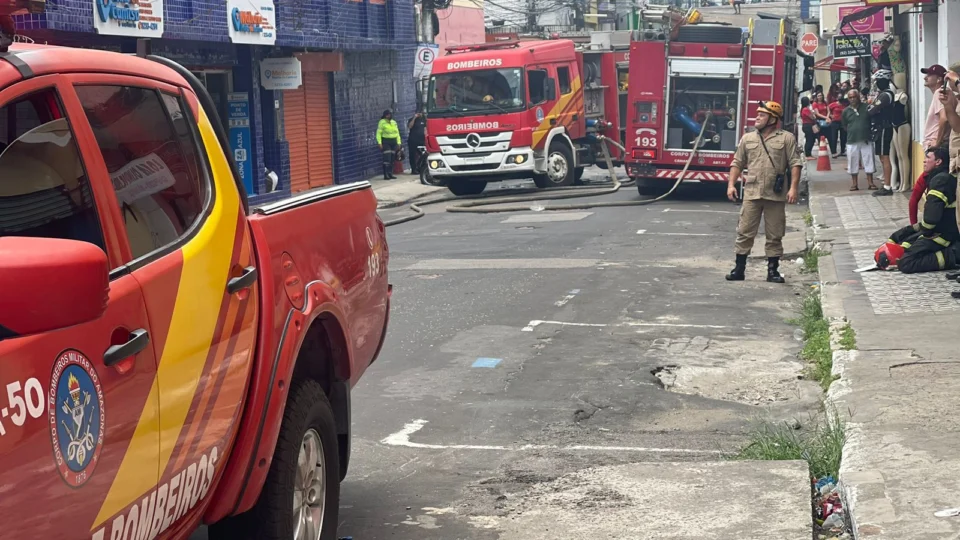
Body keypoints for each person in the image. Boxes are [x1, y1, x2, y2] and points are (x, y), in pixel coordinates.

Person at [725, 101, 804, 284]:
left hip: (775, 195)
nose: (757, 117)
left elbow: (795, 164)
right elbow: (737, 163)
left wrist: (793, 188)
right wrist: (731, 184)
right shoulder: (748, 138)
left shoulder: (786, 138)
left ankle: (773, 271)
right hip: (752, 193)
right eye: (757, 114)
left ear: (772, 119)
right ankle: (739, 269)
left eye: (762, 115)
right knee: (744, 231)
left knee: (774, 234)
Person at [876, 146, 959, 273]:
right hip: (939, 231)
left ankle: (953, 256)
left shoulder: (940, 180)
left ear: (938, 162)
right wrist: (910, 230)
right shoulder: (936, 177)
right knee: (900, 240)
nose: (924, 160)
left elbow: (931, 220)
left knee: (907, 263)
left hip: (944, 236)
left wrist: (919, 234)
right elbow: (916, 204)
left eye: (928, 158)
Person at [907, 64, 949, 224]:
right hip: (935, 149)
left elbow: (944, 119)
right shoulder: (938, 94)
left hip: (937, 150)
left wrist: (936, 145)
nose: (925, 77)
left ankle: (927, 226)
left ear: (939, 79)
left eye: (929, 75)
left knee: (928, 191)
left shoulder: (940, 93)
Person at [869, 69, 897, 196]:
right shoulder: (883, 94)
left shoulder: (886, 95)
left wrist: (870, 107)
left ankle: (887, 187)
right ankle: (886, 184)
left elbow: (872, 110)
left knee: (885, 156)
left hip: (885, 127)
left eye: (878, 81)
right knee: (881, 156)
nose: (876, 83)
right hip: (881, 128)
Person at [842, 89, 876, 191]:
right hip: (852, 140)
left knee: (869, 160)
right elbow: (844, 125)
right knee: (853, 162)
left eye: (854, 97)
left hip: (866, 139)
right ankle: (854, 184)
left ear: (858, 97)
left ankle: (870, 183)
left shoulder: (866, 108)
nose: (852, 99)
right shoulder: (846, 111)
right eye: (850, 97)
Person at [376, 110, 401, 180]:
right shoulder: (382, 122)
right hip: (386, 142)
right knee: (387, 158)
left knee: (392, 158)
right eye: (388, 115)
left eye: (390, 115)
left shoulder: (394, 122)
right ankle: (386, 174)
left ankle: (390, 173)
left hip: (394, 142)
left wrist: (399, 142)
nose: (389, 116)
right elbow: (378, 133)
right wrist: (379, 143)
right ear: (385, 115)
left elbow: (397, 133)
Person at [407, 109, 426, 175]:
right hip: (413, 140)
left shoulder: (424, 120)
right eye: (418, 113)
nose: (419, 114)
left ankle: (420, 167)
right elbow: (409, 126)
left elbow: (426, 129)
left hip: (422, 140)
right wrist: (414, 118)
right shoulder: (411, 120)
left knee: (423, 154)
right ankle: (413, 169)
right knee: (412, 155)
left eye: (420, 113)